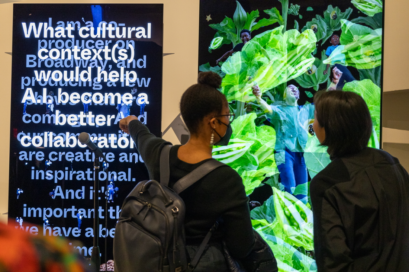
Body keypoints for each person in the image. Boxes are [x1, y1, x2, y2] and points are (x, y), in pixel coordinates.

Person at [119, 72, 277, 271]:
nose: (229, 123)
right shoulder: (227, 179)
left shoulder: (159, 154)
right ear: (213, 122)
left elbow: (142, 136)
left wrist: (131, 121)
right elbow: (241, 246)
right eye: (227, 116)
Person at [311, 91, 409, 271]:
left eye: (315, 117)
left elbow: (332, 261)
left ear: (330, 127)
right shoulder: (391, 163)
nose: (313, 123)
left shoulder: (326, 184)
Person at [253, 84, 314, 202]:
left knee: (303, 195)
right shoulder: (279, 110)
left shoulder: (304, 111)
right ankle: (288, 216)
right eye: (290, 89)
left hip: (301, 155)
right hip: (284, 153)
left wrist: (335, 82)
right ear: (285, 95)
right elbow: (268, 109)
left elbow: (322, 105)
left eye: (296, 89)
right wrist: (259, 98)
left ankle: (301, 218)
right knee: (289, 189)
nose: (294, 89)